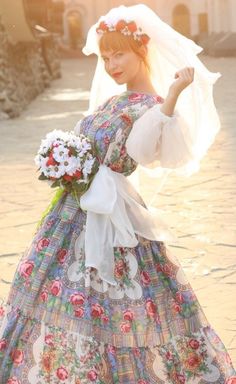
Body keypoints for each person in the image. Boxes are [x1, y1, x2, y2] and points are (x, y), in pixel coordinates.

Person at [0, 4, 235, 384]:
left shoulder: (153, 105)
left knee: (117, 299)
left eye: (119, 54)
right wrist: (64, 160)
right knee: (46, 284)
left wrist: (173, 95)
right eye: (107, 56)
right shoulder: (114, 100)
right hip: (73, 210)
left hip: (113, 214)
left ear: (143, 52)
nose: (111, 64)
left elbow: (143, 151)